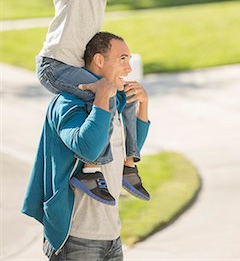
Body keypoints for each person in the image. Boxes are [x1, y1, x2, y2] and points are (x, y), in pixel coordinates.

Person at [36, 0, 149, 204]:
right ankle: (88, 169)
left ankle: (129, 164)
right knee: (104, 93)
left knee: (125, 95)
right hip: (56, 66)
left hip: (69, 64)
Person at [22, 31, 150, 260]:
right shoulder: (67, 103)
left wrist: (143, 106)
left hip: (112, 236)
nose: (129, 69)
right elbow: (87, 147)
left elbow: (130, 150)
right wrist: (101, 97)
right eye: (122, 59)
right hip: (76, 238)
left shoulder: (114, 103)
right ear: (99, 61)